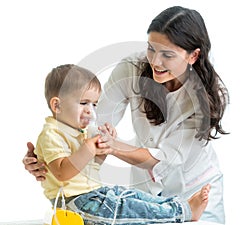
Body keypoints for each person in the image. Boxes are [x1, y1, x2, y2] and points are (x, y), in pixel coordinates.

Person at [23, 6, 229, 224]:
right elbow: (92, 122)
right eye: (152, 49)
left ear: (193, 55)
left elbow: (169, 160)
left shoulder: (207, 98)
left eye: (167, 55)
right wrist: (50, 156)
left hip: (194, 187)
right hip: (147, 190)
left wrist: (111, 146)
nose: (155, 62)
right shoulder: (132, 68)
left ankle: (186, 211)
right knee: (127, 203)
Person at [34, 63, 210, 225]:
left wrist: (102, 150)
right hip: (75, 204)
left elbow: (89, 167)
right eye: (83, 103)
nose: (91, 110)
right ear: (57, 106)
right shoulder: (52, 134)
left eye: (94, 104)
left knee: (131, 195)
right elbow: (62, 172)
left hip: (94, 194)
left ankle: (180, 205)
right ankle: (183, 212)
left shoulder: (79, 131)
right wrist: (88, 148)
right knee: (129, 209)